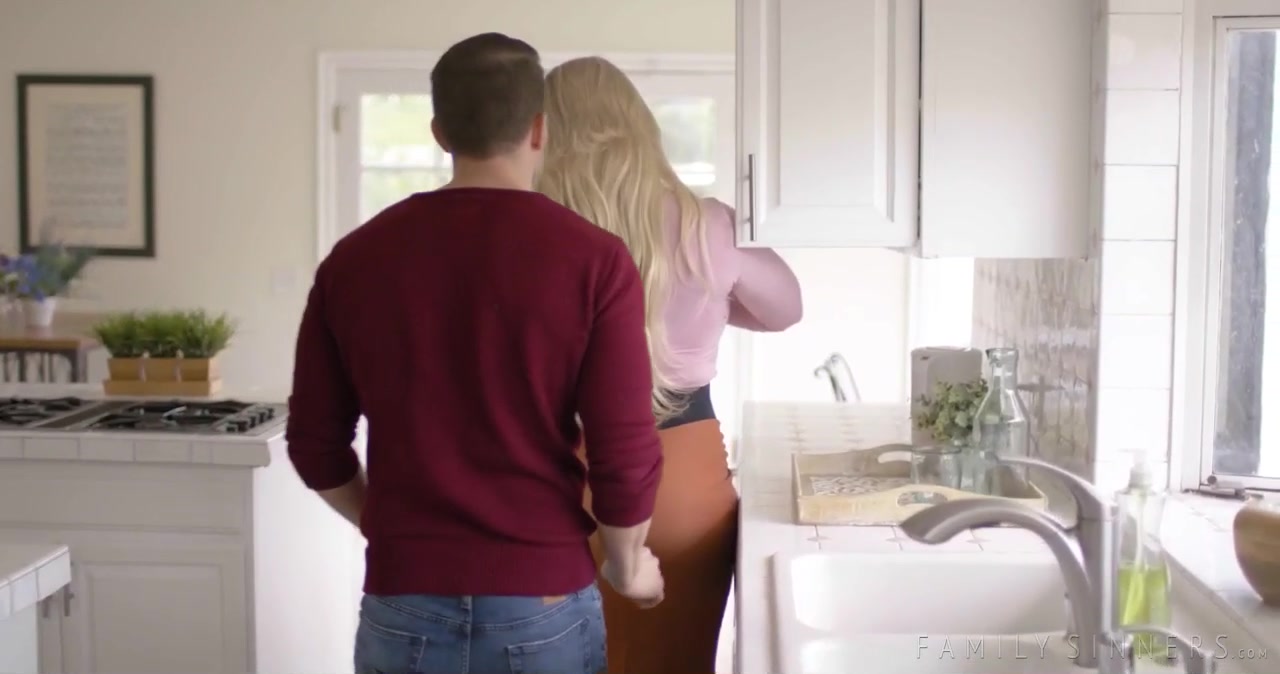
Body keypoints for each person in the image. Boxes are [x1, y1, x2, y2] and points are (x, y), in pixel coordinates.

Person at [286, 34, 667, 674]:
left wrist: (387, 527)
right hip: (542, 597)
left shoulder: (354, 260)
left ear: (440, 133)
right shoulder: (595, 261)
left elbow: (313, 445)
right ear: (540, 130)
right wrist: (629, 568)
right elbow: (623, 446)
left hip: (403, 596)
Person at [537, 56, 804, 673]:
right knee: (676, 661)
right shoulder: (704, 224)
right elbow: (784, 310)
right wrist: (707, 300)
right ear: (640, 126)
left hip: (556, 474)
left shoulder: (532, 231)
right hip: (679, 474)